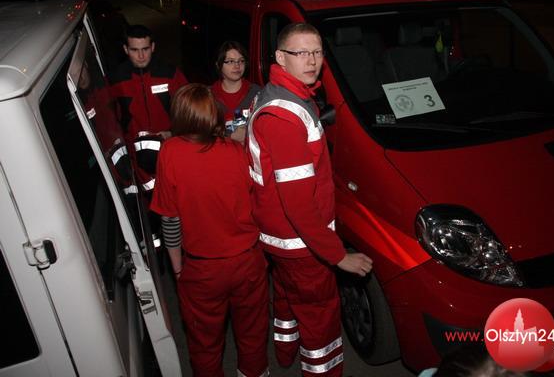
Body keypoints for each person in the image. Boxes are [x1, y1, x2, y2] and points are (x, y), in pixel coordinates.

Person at [246, 22, 373, 376]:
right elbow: (299, 205)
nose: (312, 61)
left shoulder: (282, 93)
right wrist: (338, 256)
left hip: (282, 240)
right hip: (301, 244)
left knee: (289, 297)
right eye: (301, 53)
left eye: (317, 52)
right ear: (280, 57)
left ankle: (285, 350)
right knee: (321, 320)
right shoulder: (285, 117)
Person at [151, 84, 269, 377]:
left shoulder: (170, 152)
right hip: (247, 261)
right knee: (253, 332)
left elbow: (170, 220)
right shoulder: (236, 150)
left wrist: (178, 269)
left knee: (204, 342)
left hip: (203, 269)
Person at [109, 24, 188, 196]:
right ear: (125, 49)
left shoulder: (170, 74)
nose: (141, 56)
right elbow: (109, 117)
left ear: (153, 47)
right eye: (134, 50)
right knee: (149, 201)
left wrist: (173, 133)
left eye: (145, 49)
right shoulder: (116, 79)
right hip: (136, 158)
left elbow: (190, 112)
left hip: (170, 149)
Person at [211, 41, 260, 143]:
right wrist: (230, 135)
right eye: (230, 61)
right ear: (218, 65)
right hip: (218, 151)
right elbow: (201, 130)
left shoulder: (257, 93)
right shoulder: (208, 96)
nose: (237, 66)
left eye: (241, 61)